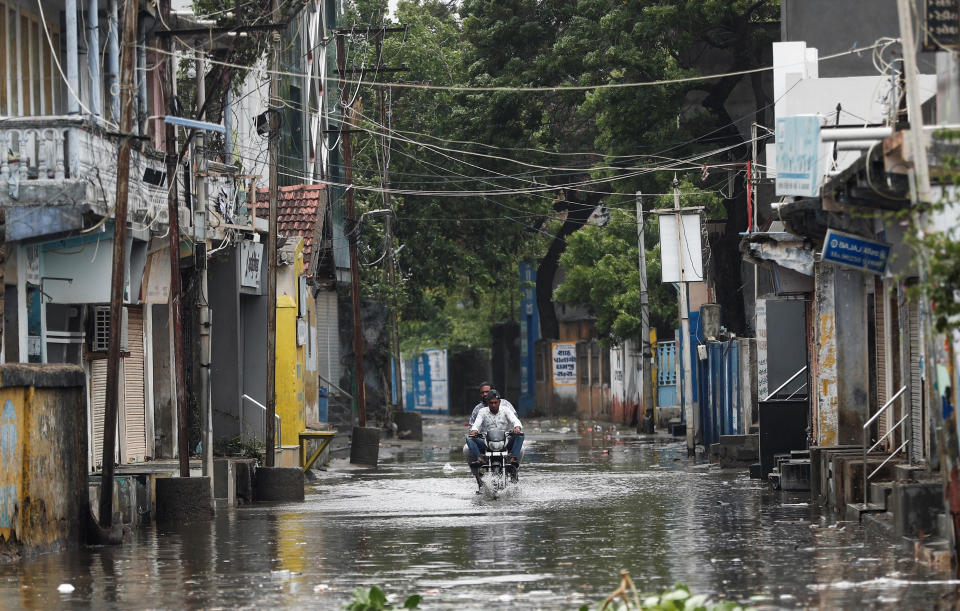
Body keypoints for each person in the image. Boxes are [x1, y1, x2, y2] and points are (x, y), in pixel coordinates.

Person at [466, 390, 524, 472]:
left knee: (520, 436)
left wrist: (517, 427)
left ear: (499, 402)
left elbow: (515, 420)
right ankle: (480, 459)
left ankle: (513, 459)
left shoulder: (506, 410)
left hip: (505, 442)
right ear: (487, 402)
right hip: (487, 443)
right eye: (491, 403)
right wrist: (474, 430)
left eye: (495, 402)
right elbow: (476, 423)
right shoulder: (482, 411)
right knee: (469, 438)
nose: (493, 405)